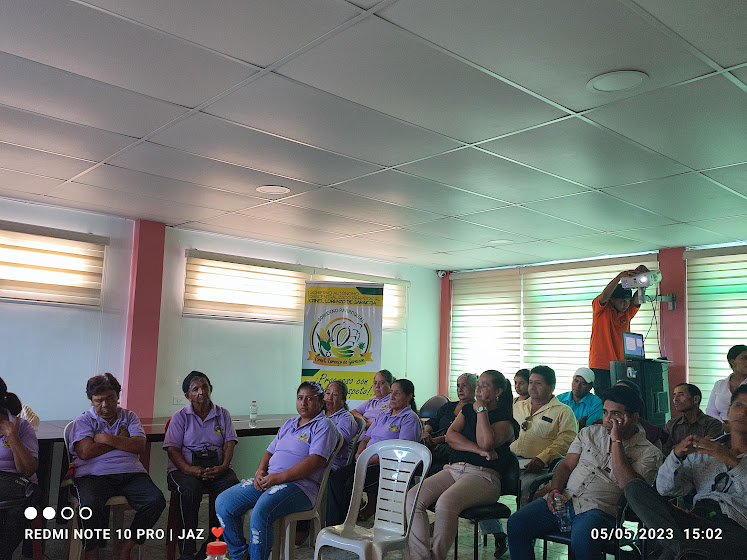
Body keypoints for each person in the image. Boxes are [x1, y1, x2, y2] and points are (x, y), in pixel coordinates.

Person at [507, 385, 662, 560]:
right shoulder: (589, 433)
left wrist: (616, 440)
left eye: (615, 414)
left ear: (633, 417)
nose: (608, 419)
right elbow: (566, 466)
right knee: (517, 523)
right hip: (566, 499)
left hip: (600, 511)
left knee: (583, 539)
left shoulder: (649, 453)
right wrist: (554, 491)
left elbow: (627, 485)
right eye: (605, 412)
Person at [215, 381, 338, 560]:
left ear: (321, 402)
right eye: (300, 398)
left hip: (300, 488)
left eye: (310, 399)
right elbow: (269, 452)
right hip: (270, 481)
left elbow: (315, 460)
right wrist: (260, 472)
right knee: (224, 502)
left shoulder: (324, 426)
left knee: (261, 512)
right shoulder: (290, 423)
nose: (303, 403)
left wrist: (279, 478)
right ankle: (240, 555)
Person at [625, 385, 747, 560]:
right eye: (739, 405)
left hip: (735, 528)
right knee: (634, 487)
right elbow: (664, 489)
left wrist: (731, 461)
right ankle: (682, 547)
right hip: (695, 519)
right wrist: (675, 457)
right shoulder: (706, 450)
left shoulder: (715, 447)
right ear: (728, 412)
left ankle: (682, 548)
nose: (743, 412)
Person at [407, 370, 518, 560]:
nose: (478, 389)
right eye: (478, 384)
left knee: (445, 503)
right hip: (454, 469)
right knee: (412, 498)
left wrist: (481, 410)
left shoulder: (506, 421)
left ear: (498, 392)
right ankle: (420, 556)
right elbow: (451, 437)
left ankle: (436, 557)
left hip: (484, 477)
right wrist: (478, 451)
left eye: (484, 386)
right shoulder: (467, 411)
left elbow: (486, 443)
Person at [69, 373, 166, 560]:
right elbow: (85, 452)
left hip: (131, 472)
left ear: (117, 396)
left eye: (110, 398)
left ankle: (126, 545)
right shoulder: (84, 420)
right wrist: (122, 439)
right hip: (93, 475)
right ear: (91, 400)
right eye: (98, 401)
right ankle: (91, 551)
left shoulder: (129, 416)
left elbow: (139, 446)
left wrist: (105, 438)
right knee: (88, 506)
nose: (105, 405)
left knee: (155, 501)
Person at [163, 371, 239, 560]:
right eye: (195, 389)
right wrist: (189, 469)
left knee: (230, 486)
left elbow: (229, 443)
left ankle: (213, 542)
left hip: (217, 468)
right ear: (187, 395)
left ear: (211, 388)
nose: (201, 392)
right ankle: (187, 551)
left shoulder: (223, 414)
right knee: (190, 490)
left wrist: (223, 467)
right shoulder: (180, 416)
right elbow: (172, 449)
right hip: (184, 470)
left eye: (204, 387)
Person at [326, 378, 422, 526]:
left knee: (351, 483)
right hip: (366, 460)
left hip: (386, 466)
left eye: (397, 393)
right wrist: (360, 453)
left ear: (409, 397)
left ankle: (345, 524)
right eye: (391, 393)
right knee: (335, 479)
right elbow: (366, 439)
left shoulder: (409, 419)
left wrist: (371, 460)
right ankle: (334, 525)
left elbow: (401, 451)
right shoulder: (383, 415)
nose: (392, 397)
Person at [589, 265, 648, 396]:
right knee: (605, 400)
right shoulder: (601, 311)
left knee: (621, 399)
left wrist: (643, 280)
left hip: (621, 365)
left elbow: (637, 299)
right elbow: (604, 295)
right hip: (601, 365)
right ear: (612, 300)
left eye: (627, 301)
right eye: (622, 301)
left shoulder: (627, 313)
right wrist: (619, 277)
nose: (625, 304)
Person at [511, 366, 577, 476]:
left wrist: (543, 458)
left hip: (542, 469)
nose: (532, 387)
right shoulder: (517, 406)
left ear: (551, 387)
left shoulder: (563, 411)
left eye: (538, 383)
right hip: (510, 463)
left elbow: (567, 440)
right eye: (530, 382)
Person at [0, 377, 39, 560]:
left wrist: (12, 435)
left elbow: (27, 470)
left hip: (19, 486)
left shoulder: (21, 426)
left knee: (16, 514)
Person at [423, 373, 477, 474]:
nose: (460, 389)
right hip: (434, 446)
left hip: (455, 453)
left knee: (433, 470)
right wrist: (426, 433)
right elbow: (432, 422)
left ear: (474, 388)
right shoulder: (448, 406)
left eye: (464, 385)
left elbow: (466, 435)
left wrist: (440, 439)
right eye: (458, 385)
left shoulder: (476, 411)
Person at [663, 383, 722, 457]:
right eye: (674, 396)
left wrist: (678, 448)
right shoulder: (671, 424)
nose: (675, 399)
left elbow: (709, 451)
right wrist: (697, 444)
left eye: (681, 395)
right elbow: (665, 451)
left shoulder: (713, 424)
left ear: (695, 399)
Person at [706, 344, 747, 424]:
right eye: (744, 358)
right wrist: (722, 425)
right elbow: (711, 410)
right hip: (719, 427)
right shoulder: (720, 384)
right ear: (732, 362)